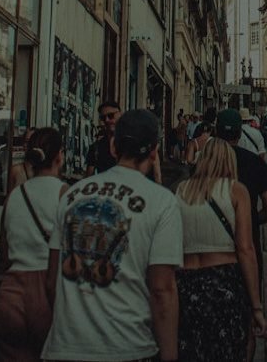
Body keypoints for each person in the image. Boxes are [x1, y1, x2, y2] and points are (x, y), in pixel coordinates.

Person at [43, 109, 181, 362]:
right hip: (128, 347)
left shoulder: (71, 195)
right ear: (154, 150)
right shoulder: (163, 202)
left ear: (114, 147)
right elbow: (162, 290)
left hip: (65, 348)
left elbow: (52, 281)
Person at [174, 139, 267, 361]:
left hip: (186, 285)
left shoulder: (181, 190)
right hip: (222, 283)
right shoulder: (236, 190)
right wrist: (256, 306)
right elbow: (245, 249)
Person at [0, 128, 67, 361]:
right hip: (47, 292)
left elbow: (3, 250)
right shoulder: (65, 195)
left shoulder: (14, 196)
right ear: (60, 156)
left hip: (10, 293)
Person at [217, 109, 267, 361]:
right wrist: (249, 221)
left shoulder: (207, 164)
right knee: (248, 320)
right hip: (249, 247)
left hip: (214, 253)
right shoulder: (254, 162)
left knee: (216, 319)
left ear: (216, 132)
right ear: (240, 132)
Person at [83, 101, 121, 178]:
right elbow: (88, 178)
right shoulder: (96, 148)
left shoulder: (130, 144)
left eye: (111, 116)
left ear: (120, 115)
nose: (107, 120)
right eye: (103, 118)